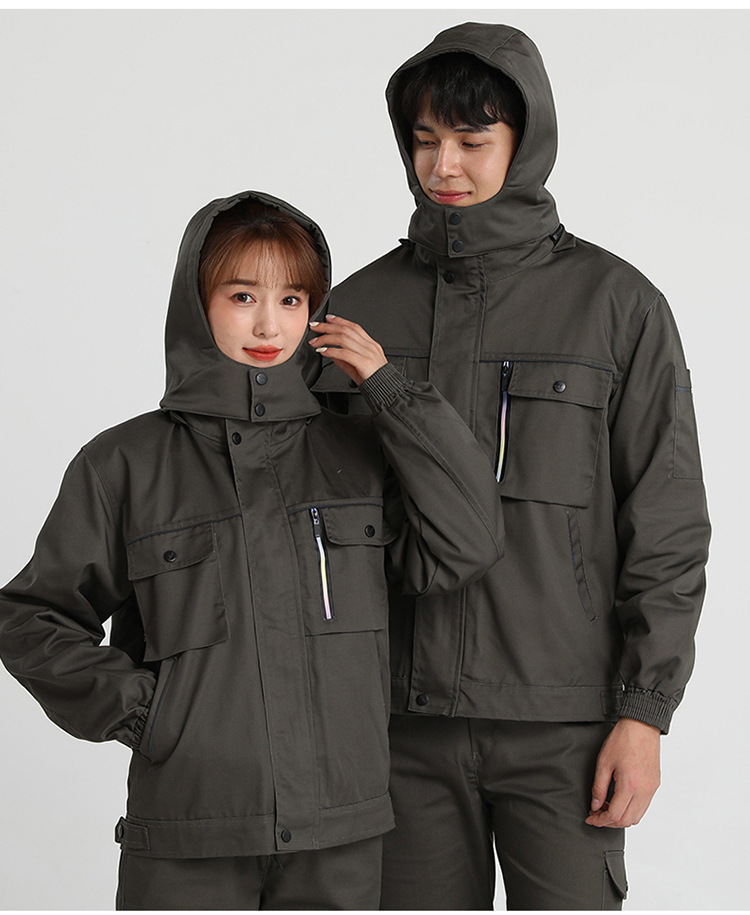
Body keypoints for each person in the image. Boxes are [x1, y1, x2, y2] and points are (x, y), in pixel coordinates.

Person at [0, 189, 503, 910]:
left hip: (341, 835)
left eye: (292, 300)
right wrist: (146, 712)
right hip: (189, 833)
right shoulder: (126, 463)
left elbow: (469, 540)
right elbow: (31, 616)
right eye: (243, 296)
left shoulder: (356, 452)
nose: (270, 324)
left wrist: (391, 392)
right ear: (197, 303)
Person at [318, 22, 711, 911]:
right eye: (425, 141)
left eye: (472, 140)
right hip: (398, 726)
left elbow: (667, 521)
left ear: (525, 142)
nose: (444, 166)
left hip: (562, 727)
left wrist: (644, 711)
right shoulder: (359, 307)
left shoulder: (616, 305)